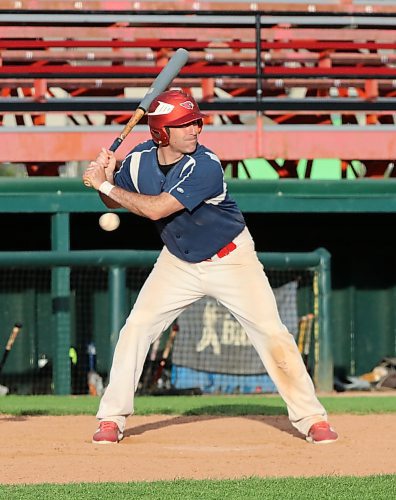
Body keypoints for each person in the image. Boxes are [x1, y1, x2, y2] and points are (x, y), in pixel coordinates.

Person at [83, 89, 338, 446]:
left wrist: (104, 182)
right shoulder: (139, 158)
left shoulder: (205, 165)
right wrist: (106, 179)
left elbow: (156, 209)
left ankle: (312, 419)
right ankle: (111, 418)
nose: (195, 130)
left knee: (272, 333)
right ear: (160, 133)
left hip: (230, 259)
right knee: (136, 329)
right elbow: (112, 196)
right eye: (184, 124)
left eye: (196, 121)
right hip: (178, 261)